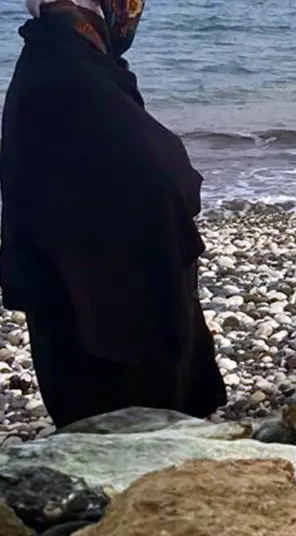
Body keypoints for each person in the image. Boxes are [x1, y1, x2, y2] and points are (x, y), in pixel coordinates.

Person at [0, 0, 228, 428]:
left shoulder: (66, 62)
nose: (132, 13)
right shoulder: (65, 72)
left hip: (89, 269)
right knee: (124, 391)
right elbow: (152, 166)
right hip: (103, 291)